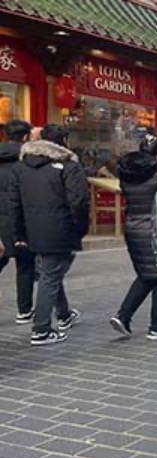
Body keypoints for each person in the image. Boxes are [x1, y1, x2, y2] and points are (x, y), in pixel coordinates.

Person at [9, 124, 88, 346]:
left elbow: (14, 203)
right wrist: (80, 229)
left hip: (33, 228)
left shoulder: (21, 167)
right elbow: (79, 201)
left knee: (49, 272)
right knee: (50, 276)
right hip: (60, 228)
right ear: (63, 141)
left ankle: (63, 315)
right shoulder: (69, 166)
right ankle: (41, 329)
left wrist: (19, 232)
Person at [110, 135, 157, 340]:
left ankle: (124, 316)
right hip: (155, 227)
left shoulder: (125, 170)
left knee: (147, 273)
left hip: (133, 226)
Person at [0, 119, 37, 325]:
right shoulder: (28, 162)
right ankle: (24, 310)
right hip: (22, 221)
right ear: (25, 137)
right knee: (25, 266)